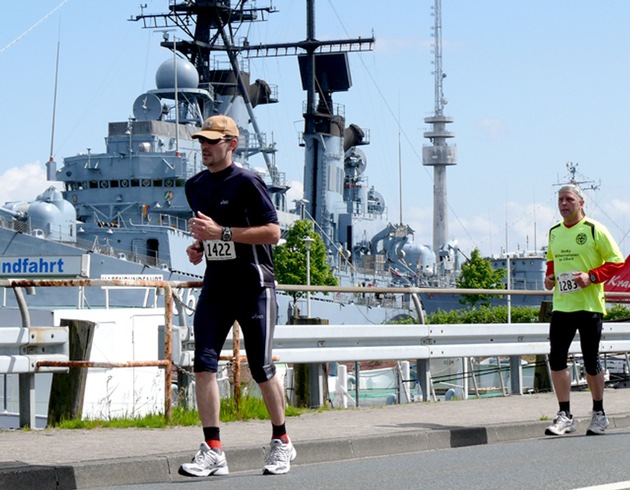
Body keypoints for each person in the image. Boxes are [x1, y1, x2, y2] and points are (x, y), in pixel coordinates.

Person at [179, 115, 296, 476]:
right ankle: (213, 449)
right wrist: (199, 245)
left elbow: (273, 232)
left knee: (261, 367)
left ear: (231, 144)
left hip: (254, 284)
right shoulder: (194, 186)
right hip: (217, 284)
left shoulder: (248, 181)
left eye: (212, 142)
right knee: (203, 364)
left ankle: (282, 442)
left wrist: (222, 233)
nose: (205, 147)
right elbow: (209, 231)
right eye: (202, 141)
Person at [543, 184, 624, 436]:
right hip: (562, 306)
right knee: (556, 358)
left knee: (591, 361)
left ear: (581, 202)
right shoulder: (554, 232)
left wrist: (591, 276)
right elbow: (552, 261)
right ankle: (565, 415)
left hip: (589, 306)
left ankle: (599, 413)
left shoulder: (594, 229)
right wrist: (549, 278)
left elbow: (617, 262)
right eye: (560, 200)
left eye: (569, 199)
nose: (563, 204)